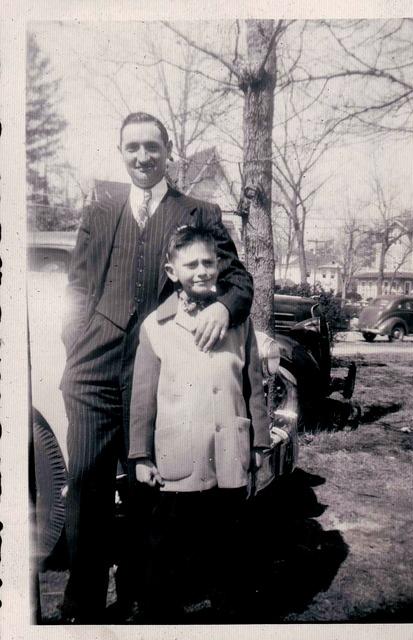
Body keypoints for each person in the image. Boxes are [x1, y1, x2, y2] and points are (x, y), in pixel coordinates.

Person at [59, 112, 253, 623]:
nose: (142, 156)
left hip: (160, 379)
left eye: (152, 146)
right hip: (93, 372)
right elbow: (78, 286)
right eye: (132, 148)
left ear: (169, 152)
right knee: (86, 484)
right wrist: (75, 340)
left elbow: (240, 283)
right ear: (120, 153)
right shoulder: (100, 211)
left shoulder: (200, 212)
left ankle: (144, 601)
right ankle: (80, 606)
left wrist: (222, 307)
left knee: (150, 490)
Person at [128, 224, 271, 622]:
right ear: (174, 272)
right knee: (167, 548)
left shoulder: (238, 324)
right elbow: (142, 399)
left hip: (229, 454)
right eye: (191, 264)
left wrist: (259, 444)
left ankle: (232, 614)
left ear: (221, 265)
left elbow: (253, 387)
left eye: (209, 262)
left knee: (229, 546)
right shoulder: (156, 327)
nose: (203, 270)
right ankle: (158, 618)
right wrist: (140, 454)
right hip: (179, 457)